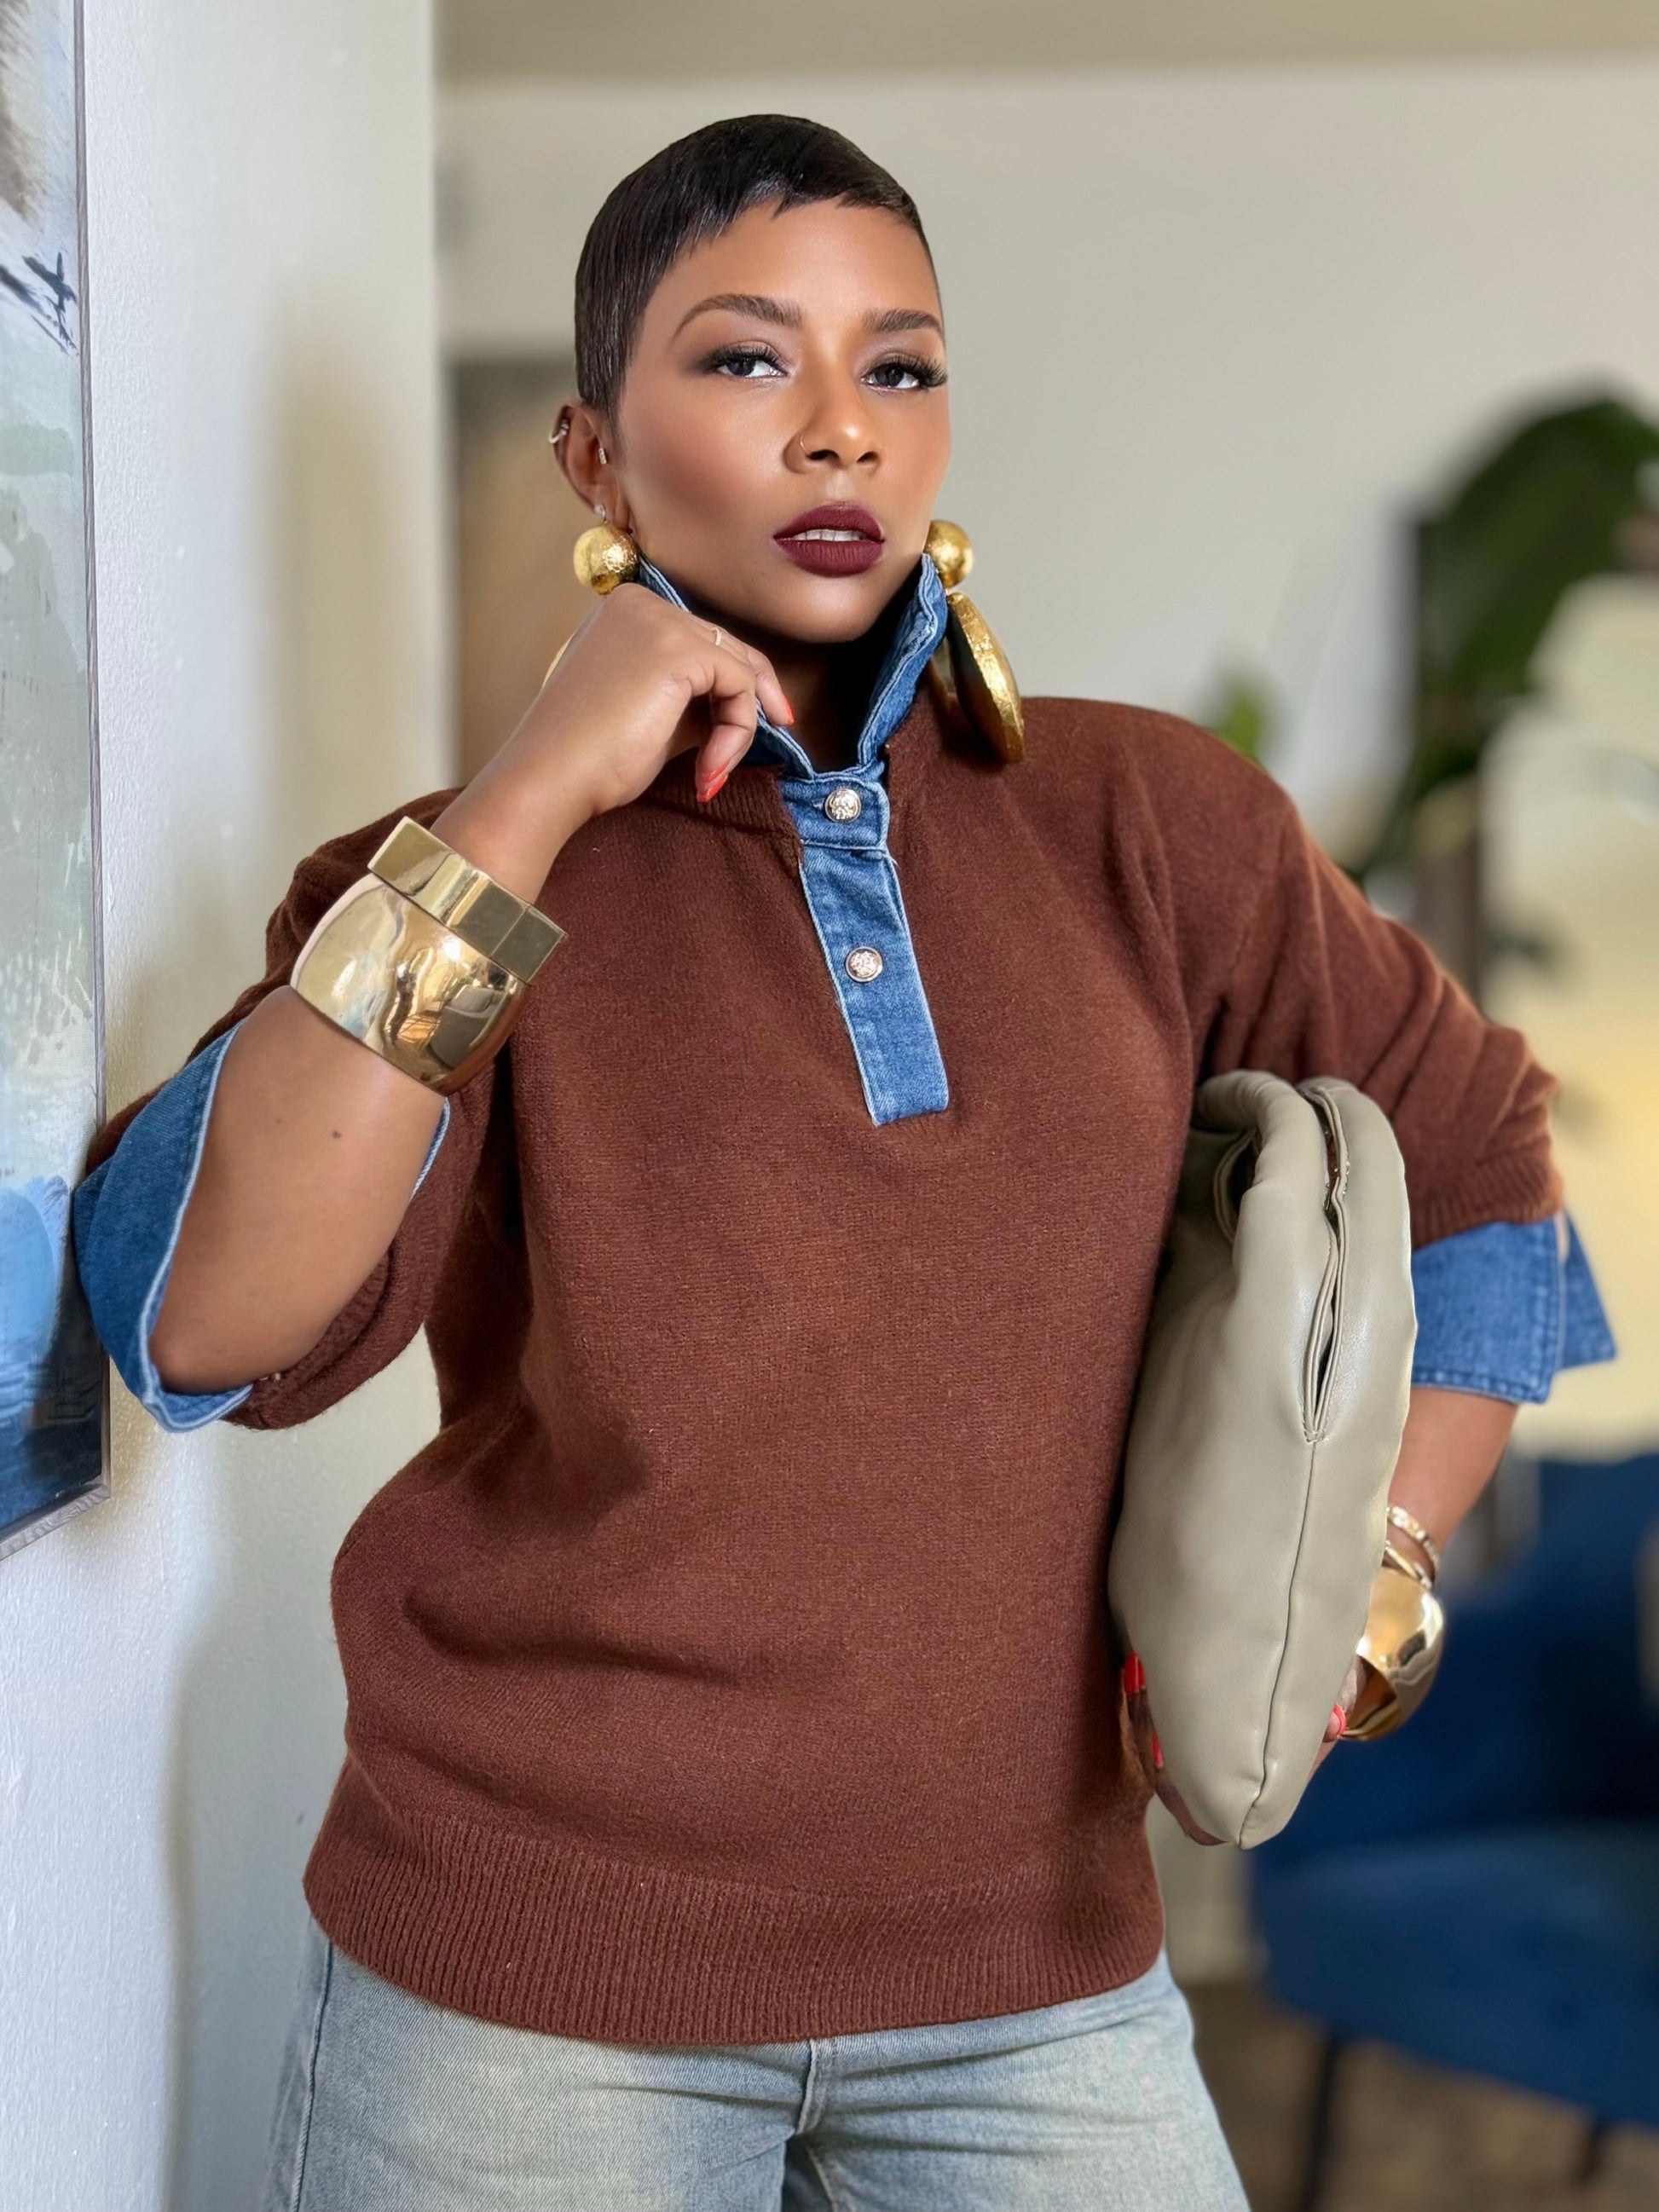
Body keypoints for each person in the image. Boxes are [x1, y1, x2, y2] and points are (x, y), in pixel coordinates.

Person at [72, 114, 1615, 2211]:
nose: (839, 429)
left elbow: (1480, 1160)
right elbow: (201, 1322)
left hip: (1036, 1982)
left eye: (899, 365)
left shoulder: (1152, 824)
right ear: (594, 456)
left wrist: (1364, 1586)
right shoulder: (444, 879)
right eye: (744, 358)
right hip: (530, 1995)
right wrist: (529, 790)